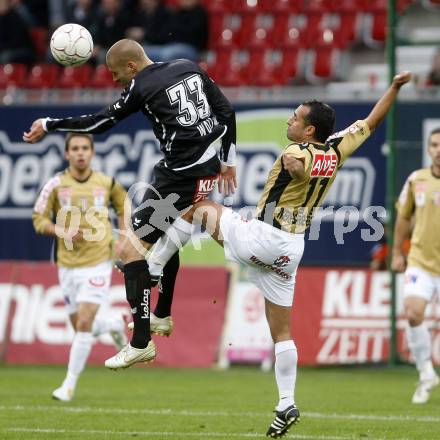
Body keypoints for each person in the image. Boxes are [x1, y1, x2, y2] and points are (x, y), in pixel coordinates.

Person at [144, 72, 412, 438]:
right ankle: (286, 401)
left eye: (297, 118)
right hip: (293, 249)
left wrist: (297, 168)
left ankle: (154, 266)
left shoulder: (294, 151)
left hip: (265, 236)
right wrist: (394, 87)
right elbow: (372, 121)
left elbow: (298, 166)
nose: (290, 120)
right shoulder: (336, 149)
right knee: (282, 332)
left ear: (309, 131)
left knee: (201, 206)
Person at [23, 38, 237, 371]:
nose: (113, 80)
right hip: (202, 168)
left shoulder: (142, 85)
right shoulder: (187, 65)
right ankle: (162, 315)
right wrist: (229, 160)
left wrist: (51, 124)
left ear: (132, 66)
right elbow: (225, 111)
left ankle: (140, 343)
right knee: (171, 235)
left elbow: (101, 123)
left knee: (128, 251)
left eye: (115, 72)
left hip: (180, 177)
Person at [32, 132, 128, 401]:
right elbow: (38, 219)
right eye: (74, 148)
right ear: (67, 154)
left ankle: (68, 386)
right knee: (80, 327)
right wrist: (60, 231)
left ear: (92, 152)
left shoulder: (107, 183)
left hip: (98, 261)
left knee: (84, 322)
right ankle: (114, 324)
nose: (80, 153)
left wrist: (123, 238)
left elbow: (124, 206)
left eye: (85, 148)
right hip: (67, 265)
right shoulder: (54, 185)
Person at [391, 127, 440, 404]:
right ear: (429, 148)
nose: (438, 150)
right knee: (412, 313)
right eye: (434, 145)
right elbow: (403, 219)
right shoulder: (416, 180)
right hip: (420, 260)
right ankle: (426, 374)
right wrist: (398, 252)